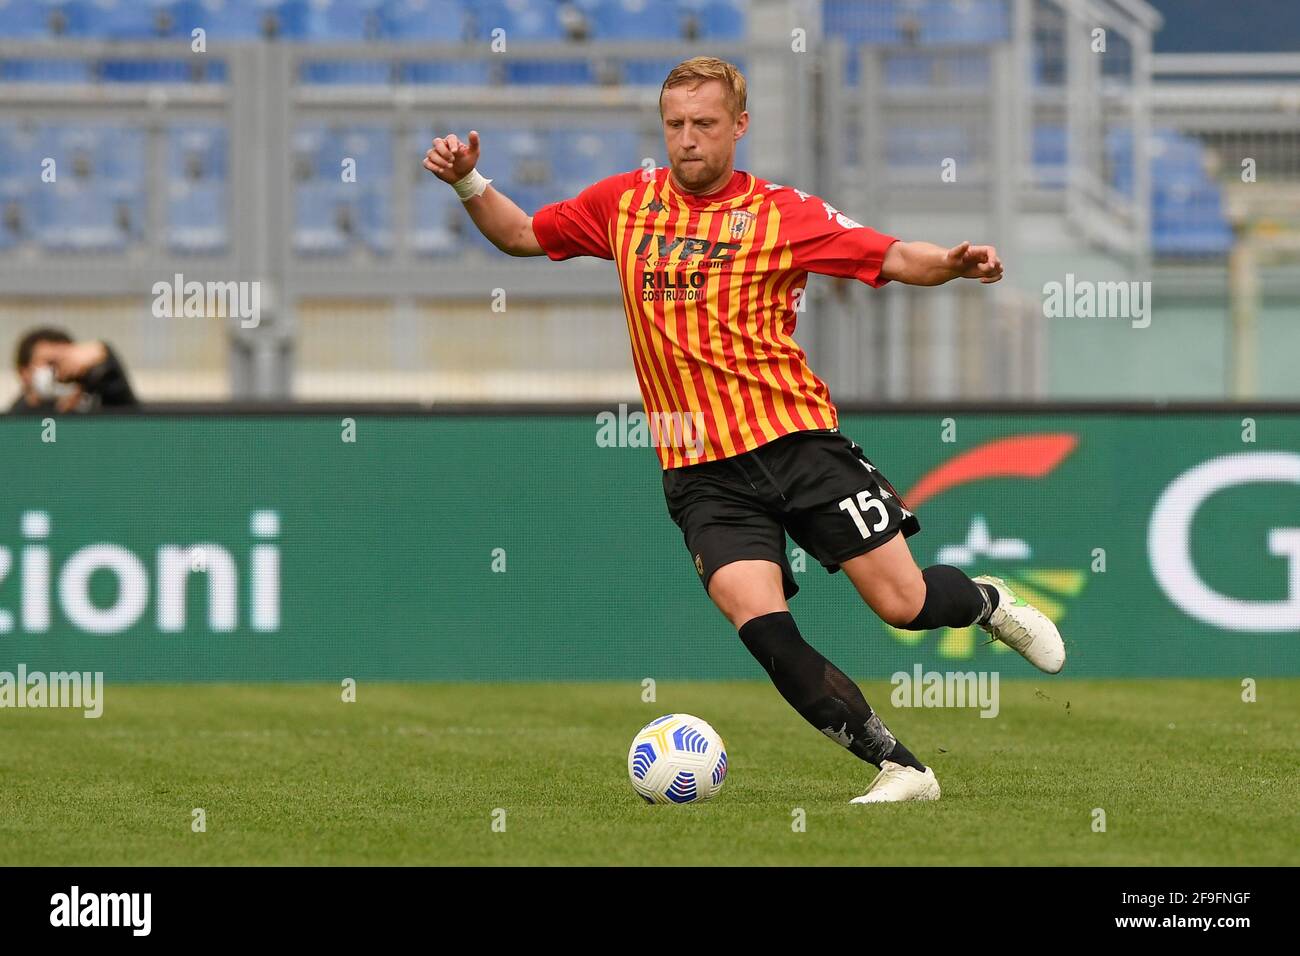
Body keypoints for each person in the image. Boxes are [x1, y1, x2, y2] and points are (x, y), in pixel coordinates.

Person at [422, 56, 1066, 803]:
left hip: (796, 442)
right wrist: (469, 182)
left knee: (905, 605)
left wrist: (952, 264)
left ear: (739, 127)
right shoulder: (623, 203)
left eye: (704, 124)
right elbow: (524, 234)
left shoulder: (782, 213)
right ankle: (903, 769)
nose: (687, 139)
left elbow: (889, 254)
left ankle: (986, 604)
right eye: (674, 125)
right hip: (701, 471)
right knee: (763, 627)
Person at [9, 328, 138, 414]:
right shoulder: (11, 426)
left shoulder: (88, 417)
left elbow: (129, 418)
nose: (62, 372)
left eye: (68, 363)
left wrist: (107, 359)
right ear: (24, 372)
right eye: (51, 363)